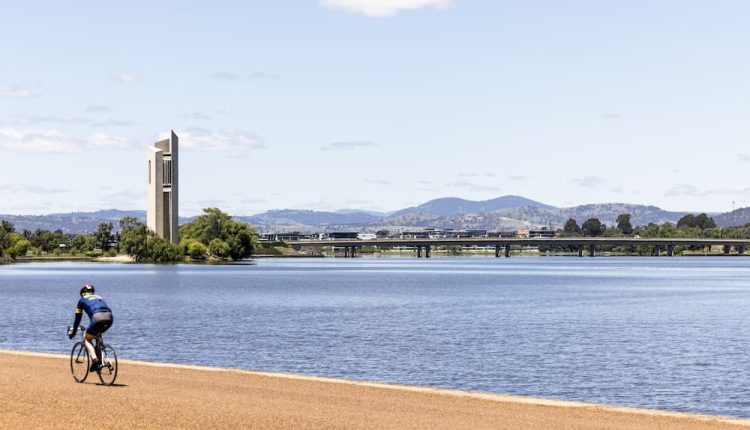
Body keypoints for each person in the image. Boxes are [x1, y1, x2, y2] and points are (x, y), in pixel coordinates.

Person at [68, 284, 114, 372]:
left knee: (87, 339)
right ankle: (102, 360)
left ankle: (95, 360)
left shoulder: (81, 300)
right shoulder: (99, 297)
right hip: (109, 317)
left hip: (97, 318)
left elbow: (77, 319)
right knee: (97, 335)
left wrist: (73, 332)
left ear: (82, 293)